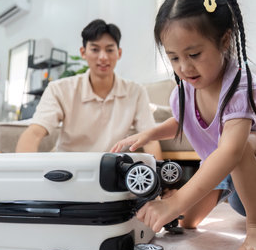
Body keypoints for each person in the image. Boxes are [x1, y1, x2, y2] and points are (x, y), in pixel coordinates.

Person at [111, 0, 256, 250]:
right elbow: (183, 119)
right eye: (174, 58)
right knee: (187, 221)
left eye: (194, 54)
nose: (184, 68)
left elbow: (233, 150)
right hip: (221, 158)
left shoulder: (239, 84)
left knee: (237, 148)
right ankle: (226, 194)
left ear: (224, 41)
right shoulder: (183, 91)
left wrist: (175, 201)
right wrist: (150, 133)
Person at [16, 19, 162, 158]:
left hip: (111, 169)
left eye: (110, 50)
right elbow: (35, 133)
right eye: (95, 49)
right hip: (67, 168)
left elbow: (149, 139)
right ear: (83, 52)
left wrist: (160, 182)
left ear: (119, 53)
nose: (103, 57)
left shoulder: (136, 92)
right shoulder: (59, 89)